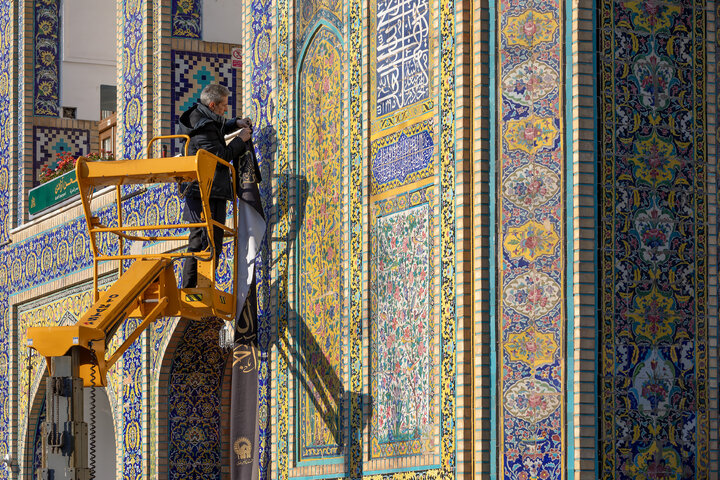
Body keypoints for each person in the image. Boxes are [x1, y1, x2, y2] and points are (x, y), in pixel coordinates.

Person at [176, 83, 254, 288]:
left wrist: (234, 123)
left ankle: (196, 287)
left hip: (202, 190)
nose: (226, 109)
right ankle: (195, 289)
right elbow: (220, 155)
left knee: (201, 241)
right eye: (223, 106)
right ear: (212, 105)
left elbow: (216, 126)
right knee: (206, 242)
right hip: (207, 191)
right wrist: (240, 140)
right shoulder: (203, 127)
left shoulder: (200, 119)